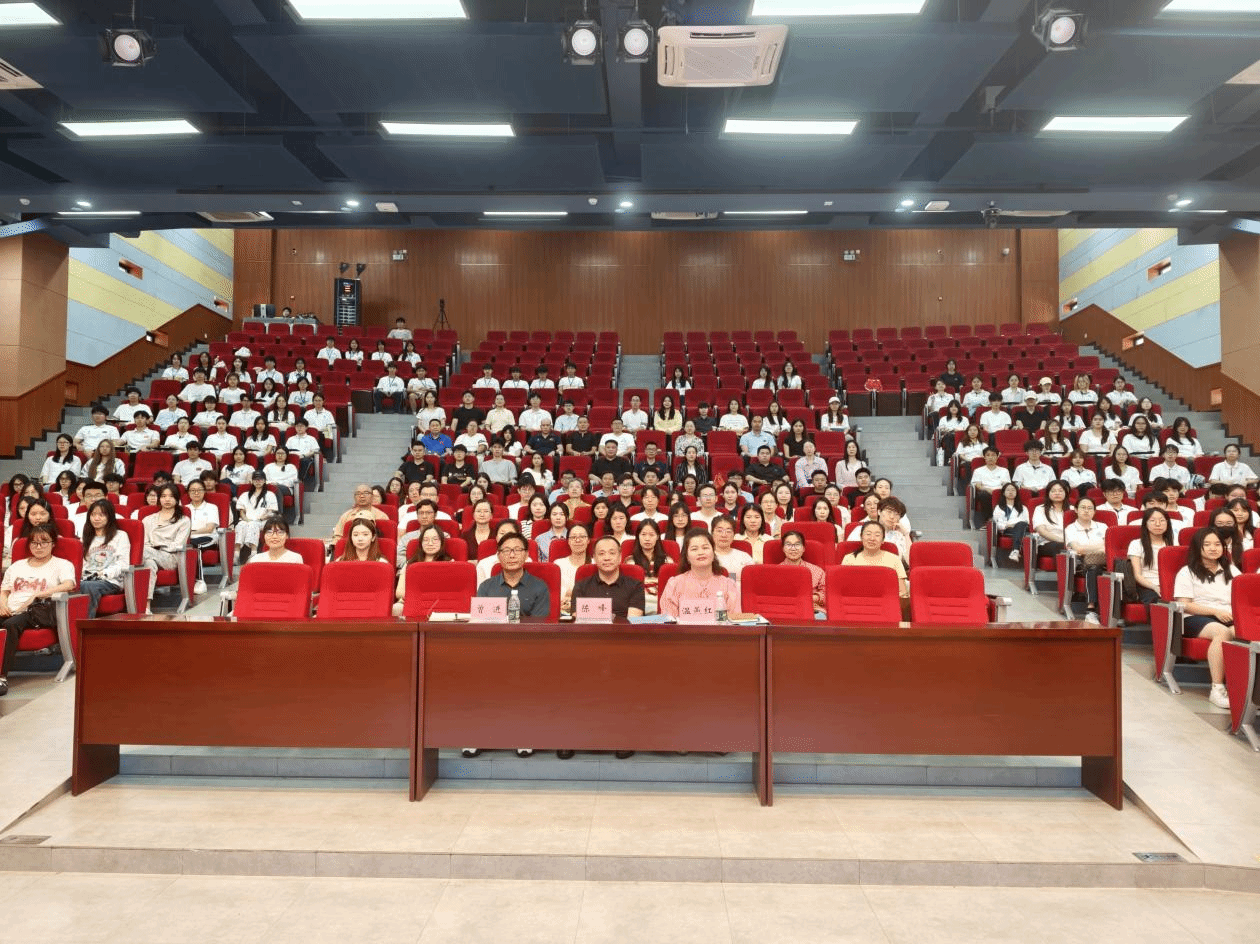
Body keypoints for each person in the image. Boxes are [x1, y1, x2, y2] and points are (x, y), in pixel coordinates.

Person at [0, 521, 77, 692]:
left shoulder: (61, 564)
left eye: (44, 542)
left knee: (10, 625)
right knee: (7, 620)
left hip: (37, 609)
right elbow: (4, 590)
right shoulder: (17, 565)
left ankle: (1, 677)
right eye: (34, 543)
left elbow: (69, 585)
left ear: (53, 543)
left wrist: (38, 595)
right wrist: (2, 604)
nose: (39, 547)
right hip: (12, 608)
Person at [1173, 527, 1237, 709]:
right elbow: (1185, 604)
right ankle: (1217, 689)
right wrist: (1215, 612)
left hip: (1228, 615)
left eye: (1217, 544)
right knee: (1222, 632)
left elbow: (1243, 596)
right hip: (1195, 616)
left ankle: (1245, 689)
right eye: (1207, 544)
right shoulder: (1187, 572)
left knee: (1245, 632)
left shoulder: (1231, 570)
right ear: (1198, 547)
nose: (1213, 548)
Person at [659, 528, 742, 620]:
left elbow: (735, 622)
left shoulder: (728, 585)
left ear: (713, 552)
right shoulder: (674, 584)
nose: (701, 553)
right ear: (687, 557)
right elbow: (669, 622)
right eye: (694, 549)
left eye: (705, 548)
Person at [141, 484, 191, 613]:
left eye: (171, 496)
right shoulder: (148, 520)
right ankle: (146, 606)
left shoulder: (184, 520)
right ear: (159, 498)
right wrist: (152, 549)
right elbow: (144, 542)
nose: (167, 499)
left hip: (171, 557)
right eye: (163, 496)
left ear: (177, 499)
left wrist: (159, 545)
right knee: (149, 564)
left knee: (141, 552)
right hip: (149, 554)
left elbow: (178, 544)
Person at [79, 499, 130, 619]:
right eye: (93, 515)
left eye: (101, 515)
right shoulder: (86, 537)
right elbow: (81, 563)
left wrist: (104, 574)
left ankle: (85, 624)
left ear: (109, 517)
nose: (96, 518)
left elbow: (123, 563)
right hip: (87, 578)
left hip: (111, 581)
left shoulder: (120, 536)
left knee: (88, 586)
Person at [1065, 496, 1109, 623]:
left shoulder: (1103, 527)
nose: (1086, 511)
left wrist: (1087, 548)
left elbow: (1109, 547)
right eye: (1083, 507)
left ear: (1094, 511)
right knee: (1093, 568)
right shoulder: (1070, 528)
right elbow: (1078, 549)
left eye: (1090, 508)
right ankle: (1091, 610)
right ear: (1076, 510)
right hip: (1081, 563)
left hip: (1104, 560)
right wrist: (1100, 546)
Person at [841, 520, 909, 602]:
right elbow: (843, 590)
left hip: (886, 604)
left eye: (877, 535)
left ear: (883, 540)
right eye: (868, 534)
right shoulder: (849, 559)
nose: (872, 538)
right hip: (856, 603)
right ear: (861, 537)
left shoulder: (894, 559)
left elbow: (902, 592)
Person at [1128, 508, 1173, 606]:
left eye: (1162, 520)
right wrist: (1155, 587)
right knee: (1161, 605)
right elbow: (1137, 575)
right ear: (1145, 524)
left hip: (1170, 585)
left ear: (1167, 523)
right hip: (1147, 586)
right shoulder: (1136, 544)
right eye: (1153, 521)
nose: (1158, 524)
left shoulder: (1173, 544)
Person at [628, 519, 673, 613]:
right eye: (643, 534)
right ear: (638, 536)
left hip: (661, 603)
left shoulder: (667, 561)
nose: (647, 538)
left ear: (657, 537)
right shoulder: (630, 561)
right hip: (637, 605)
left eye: (651, 535)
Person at [780, 528, 826, 613]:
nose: (793, 549)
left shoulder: (817, 571)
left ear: (803, 548)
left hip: (811, 609)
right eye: (788, 545)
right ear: (783, 548)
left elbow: (827, 594)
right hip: (784, 610)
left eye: (797, 544)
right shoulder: (776, 571)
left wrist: (813, 598)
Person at [1031, 480, 1070, 564]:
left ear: (1066, 493)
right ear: (1048, 494)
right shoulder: (1040, 509)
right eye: (1053, 491)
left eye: (1060, 491)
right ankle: (1067, 572)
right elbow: (1041, 531)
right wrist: (1063, 540)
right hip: (1047, 543)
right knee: (1059, 547)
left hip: (1070, 542)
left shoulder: (1073, 509)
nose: (1057, 493)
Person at [992, 483, 1029, 565]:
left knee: (1021, 524)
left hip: (1021, 528)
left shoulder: (1023, 508)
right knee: (1020, 525)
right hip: (1006, 530)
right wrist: (1007, 525)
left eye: (1013, 490)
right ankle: (1016, 550)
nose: (1011, 492)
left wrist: (1014, 524)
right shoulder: (999, 507)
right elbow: (997, 523)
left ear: (1016, 493)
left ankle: (1015, 551)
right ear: (1003, 493)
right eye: (1008, 490)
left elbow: (1026, 521)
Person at [711, 514, 753, 581]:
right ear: (712, 533)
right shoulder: (706, 557)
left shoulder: (744, 557)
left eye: (728, 531)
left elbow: (752, 582)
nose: (724, 535)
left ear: (734, 535)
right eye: (719, 531)